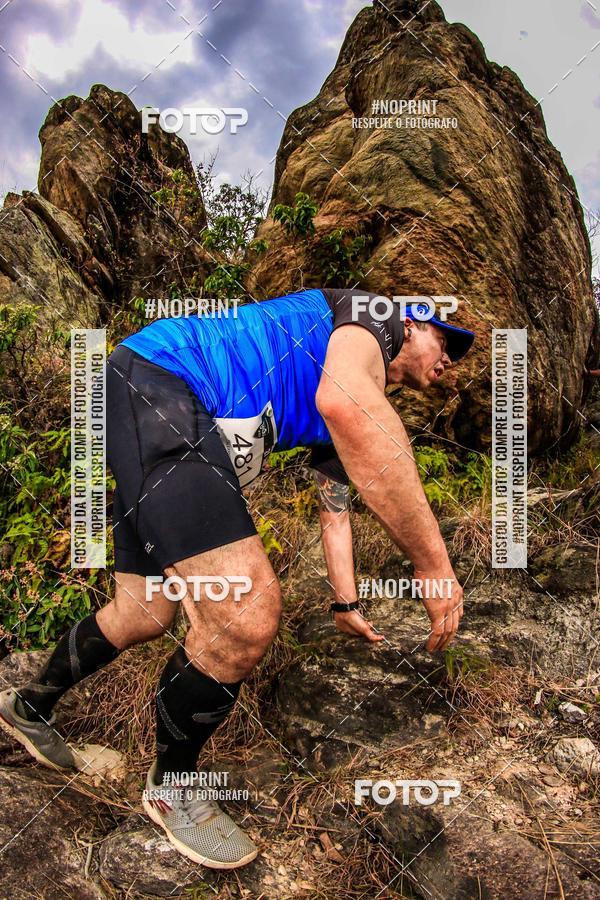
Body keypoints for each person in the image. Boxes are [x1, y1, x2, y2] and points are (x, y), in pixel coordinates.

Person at [0, 288, 474, 869]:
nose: (451, 357)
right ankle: (173, 790)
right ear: (415, 319)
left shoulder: (345, 395)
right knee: (245, 614)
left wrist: (345, 602)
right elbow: (349, 405)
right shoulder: (374, 319)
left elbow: (335, 515)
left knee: (140, 611)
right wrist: (432, 566)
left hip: (147, 405)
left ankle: (28, 706)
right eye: (447, 339)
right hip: (161, 385)